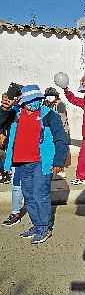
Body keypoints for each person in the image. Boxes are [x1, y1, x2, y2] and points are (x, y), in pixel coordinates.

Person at [0, 85, 68, 244]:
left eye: (38, 99)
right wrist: (4, 108)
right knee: (29, 196)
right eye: (31, 100)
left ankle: (44, 227)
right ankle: (37, 225)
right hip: (22, 163)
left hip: (41, 162)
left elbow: (61, 138)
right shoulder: (16, 114)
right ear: (23, 102)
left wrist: (59, 160)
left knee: (40, 195)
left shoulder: (50, 115)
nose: (35, 103)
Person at [1, 83, 28, 226]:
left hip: (33, 155)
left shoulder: (34, 109)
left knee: (32, 184)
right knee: (16, 184)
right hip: (16, 155)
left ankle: (37, 214)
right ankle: (15, 212)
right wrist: (5, 108)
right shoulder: (11, 112)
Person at [44, 87, 71, 177]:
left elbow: (62, 118)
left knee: (61, 148)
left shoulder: (60, 105)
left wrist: (64, 132)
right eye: (48, 96)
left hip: (62, 130)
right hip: (52, 131)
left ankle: (61, 168)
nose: (50, 98)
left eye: (52, 96)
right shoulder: (46, 105)